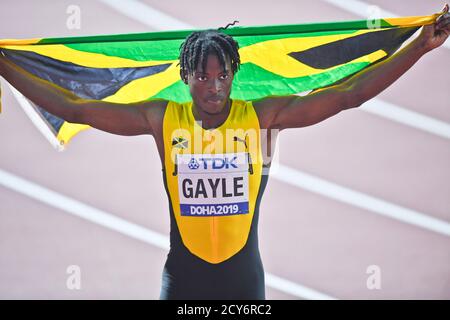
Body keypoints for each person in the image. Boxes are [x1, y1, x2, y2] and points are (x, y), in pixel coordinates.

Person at [0, 6, 449, 300]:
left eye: (222, 76)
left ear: (233, 74)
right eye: (203, 76)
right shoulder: (161, 119)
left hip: (243, 284)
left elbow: (349, 94)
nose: (213, 87)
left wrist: (417, 47)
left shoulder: (261, 117)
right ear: (186, 77)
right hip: (183, 282)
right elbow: (74, 106)